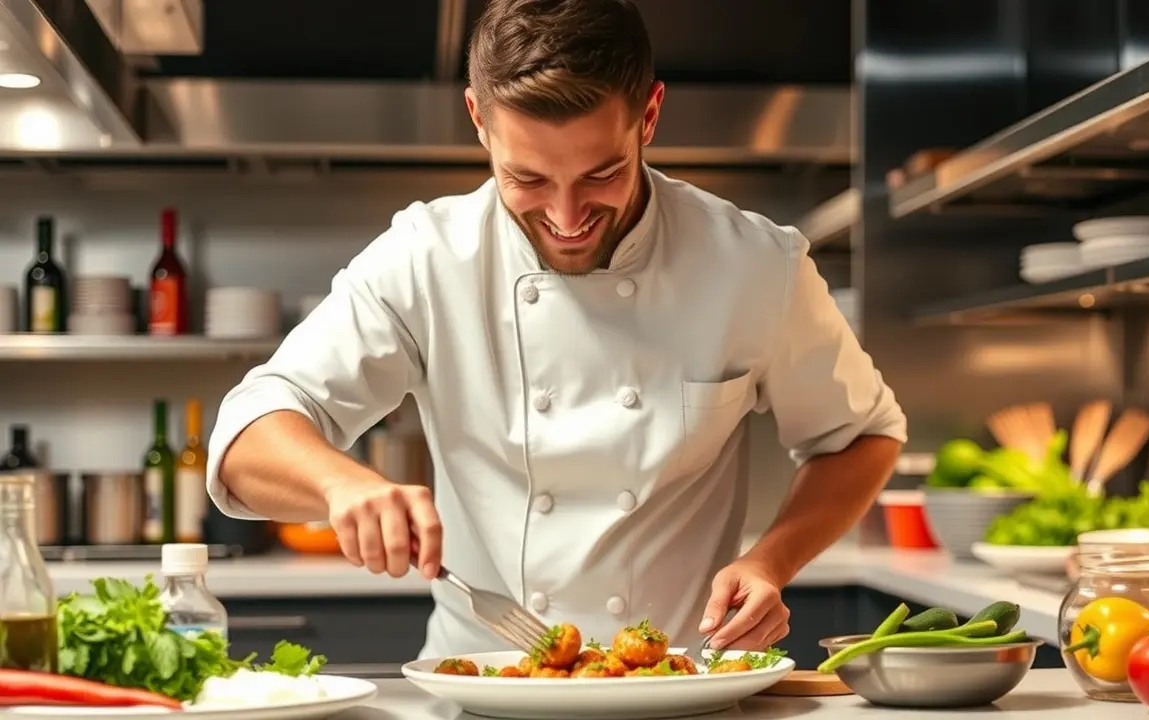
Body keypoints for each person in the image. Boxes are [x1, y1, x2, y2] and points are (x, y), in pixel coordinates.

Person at [206, 0, 907, 659]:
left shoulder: (755, 264)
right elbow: (246, 433)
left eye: (603, 174)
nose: (568, 218)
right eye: (528, 180)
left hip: (674, 689)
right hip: (482, 685)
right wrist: (340, 487)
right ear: (478, 119)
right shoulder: (426, 258)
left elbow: (862, 436)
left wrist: (769, 560)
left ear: (650, 115)